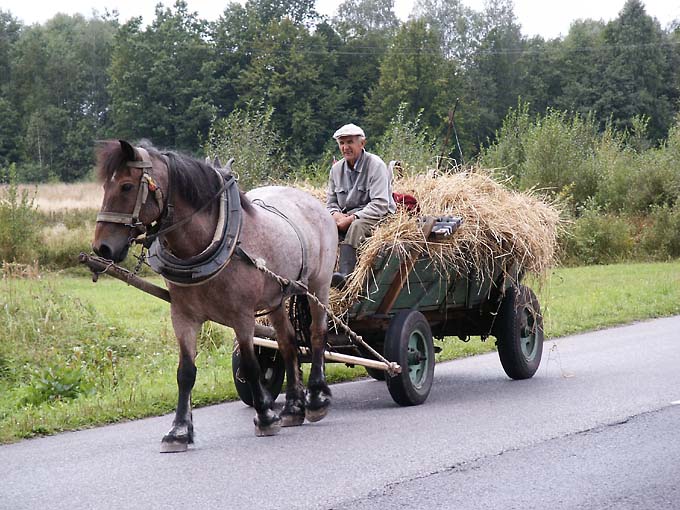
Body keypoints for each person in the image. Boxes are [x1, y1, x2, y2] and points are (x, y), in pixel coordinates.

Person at [326, 123, 396, 288]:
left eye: (350, 142)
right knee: (324, 227)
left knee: (356, 226)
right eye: (342, 143)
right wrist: (336, 216)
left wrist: (350, 219)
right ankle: (322, 274)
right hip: (347, 216)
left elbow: (380, 204)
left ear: (362, 143)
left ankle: (346, 276)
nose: (345, 147)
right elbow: (330, 203)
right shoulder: (336, 170)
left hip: (377, 216)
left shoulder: (375, 165)